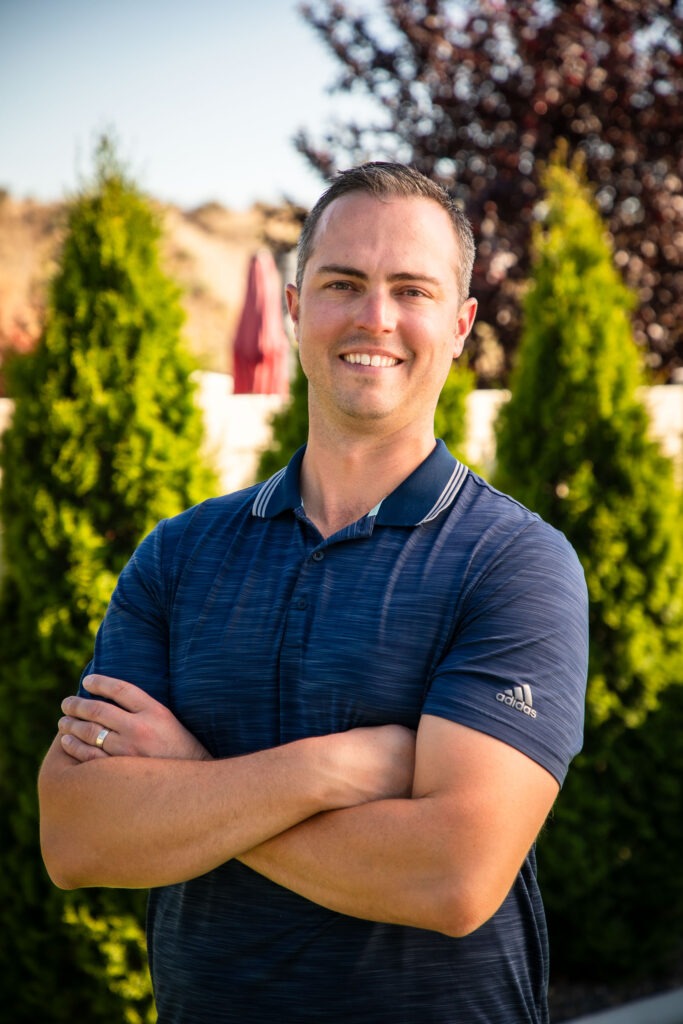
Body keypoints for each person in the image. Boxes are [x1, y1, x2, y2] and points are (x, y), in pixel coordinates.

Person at [39, 162, 588, 1024]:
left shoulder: (513, 562)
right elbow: (78, 834)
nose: (375, 316)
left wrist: (188, 782)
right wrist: (329, 769)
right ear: (293, 309)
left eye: (411, 289)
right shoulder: (178, 557)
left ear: (459, 325)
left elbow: (451, 876)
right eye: (342, 283)